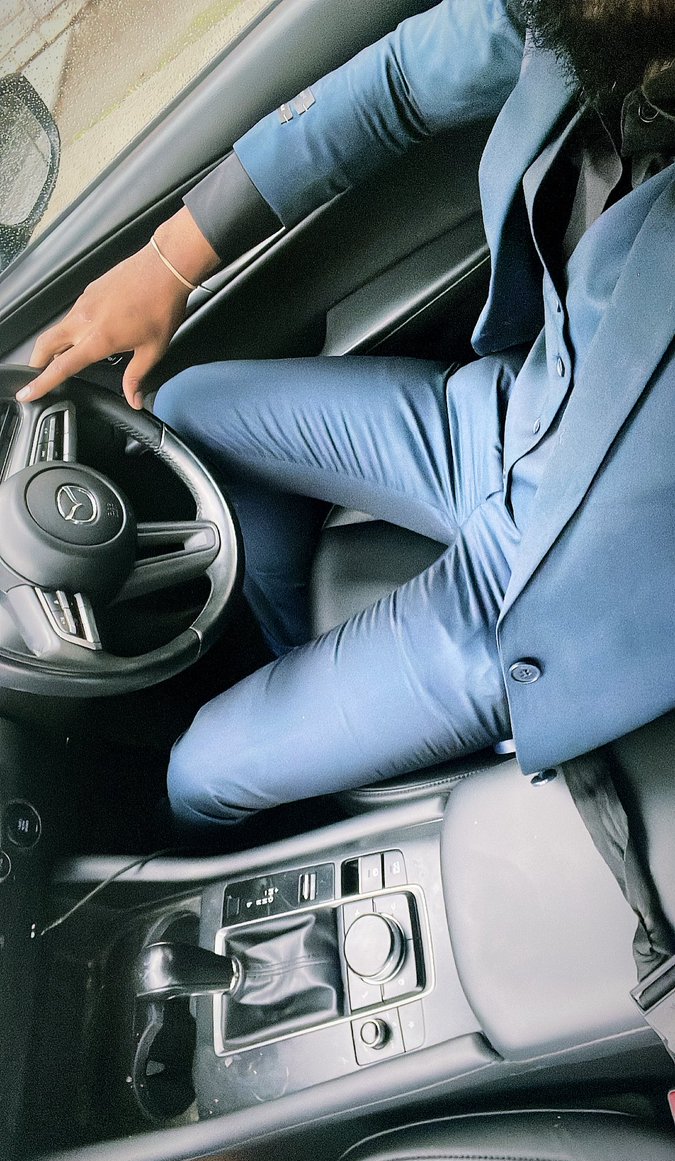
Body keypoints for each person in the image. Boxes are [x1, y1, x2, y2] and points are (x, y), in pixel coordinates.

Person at [17, 0, 675, 837]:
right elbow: (398, 81)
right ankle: (299, 663)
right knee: (188, 412)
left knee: (199, 773)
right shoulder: (581, 15)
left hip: (565, 578)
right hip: (508, 418)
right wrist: (167, 263)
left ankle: (296, 796)